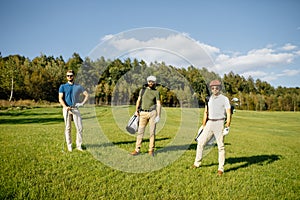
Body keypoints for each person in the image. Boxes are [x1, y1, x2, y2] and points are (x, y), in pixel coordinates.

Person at [192, 80, 231, 176]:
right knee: (200, 143)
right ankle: (197, 163)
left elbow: (229, 113)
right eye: (213, 88)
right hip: (209, 122)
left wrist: (227, 125)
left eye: (217, 88)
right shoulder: (208, 99)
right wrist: (203, 125)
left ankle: (220, 169)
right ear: (211, 89)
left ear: (220, 88)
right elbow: (206, 112)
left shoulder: (224, 99)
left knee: (220, 146)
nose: (215, 89)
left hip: (219, 123)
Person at [130, 75, 161, 156]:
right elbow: (138, 100)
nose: (151, 83)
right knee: (140, 132)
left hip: (152, 113)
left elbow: (158, 104)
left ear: (155, 82)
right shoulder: (142, 90)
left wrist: (158, 115)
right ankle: (137, 150)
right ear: (147, 82)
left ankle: (151, 150)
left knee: (152, 132)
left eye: (152, 81)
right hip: (142, 113)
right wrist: (136, 111)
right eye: (149, 81)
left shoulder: (156, 92)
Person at [58, 70, 89, 152]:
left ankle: (79, 146)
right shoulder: (63, 86)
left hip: (75, 108)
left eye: (71, 75)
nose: (69, 77)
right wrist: (65, 106)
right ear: (66, 76)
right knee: (68, 128)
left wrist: (82, 103)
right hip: (66, 109)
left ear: (73, 76)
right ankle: (69, 146)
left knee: (79, 128)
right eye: (68, 75)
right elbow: (60, 98)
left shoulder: (78, 86)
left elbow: (86, 95)